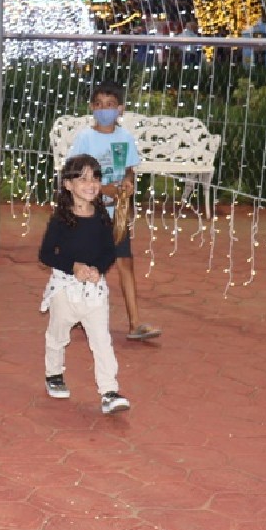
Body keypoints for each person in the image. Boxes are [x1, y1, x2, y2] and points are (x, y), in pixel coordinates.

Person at [67, 82, 162, 341]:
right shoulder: (85, 138)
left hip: (116, 215)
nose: (104, 110)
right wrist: (101, 189)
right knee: (86, 266)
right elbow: (75, 173)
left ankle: (135, 322)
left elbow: (130, 168)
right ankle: (74, 315)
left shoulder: (125, 138)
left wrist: (128, 183)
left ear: (120, 109)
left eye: (110, 105)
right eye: (99, 105)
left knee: (125, 263)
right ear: (92, 108)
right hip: (90, 213)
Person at [38, 154, 130, 414]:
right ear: (68, 184)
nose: (91, 184)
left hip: (94, 292)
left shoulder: (102, 218)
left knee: (102, 340)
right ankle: (53, 373)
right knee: (58, 335)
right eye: (83, 178)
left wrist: (98, 269)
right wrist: (73, 266)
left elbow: (110, 251)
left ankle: (109, 391)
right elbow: (46, 254)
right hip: (65, 289)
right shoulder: (60, 220)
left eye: (95, 178)